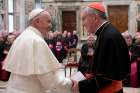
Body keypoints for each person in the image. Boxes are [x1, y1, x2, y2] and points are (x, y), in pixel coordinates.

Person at [3, 9, 73, 93]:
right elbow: (50, 82)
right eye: (48, 21)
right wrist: (72, 84)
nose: (50, 25)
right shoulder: (37, 41)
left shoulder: (22, 37)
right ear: (37, 21)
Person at [72, 2, 130, 93]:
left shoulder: (109, 37)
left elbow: (106, 79)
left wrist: (81, 86)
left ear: (95, 18)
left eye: (84, 19)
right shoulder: (106, 33)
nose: (83, 24)